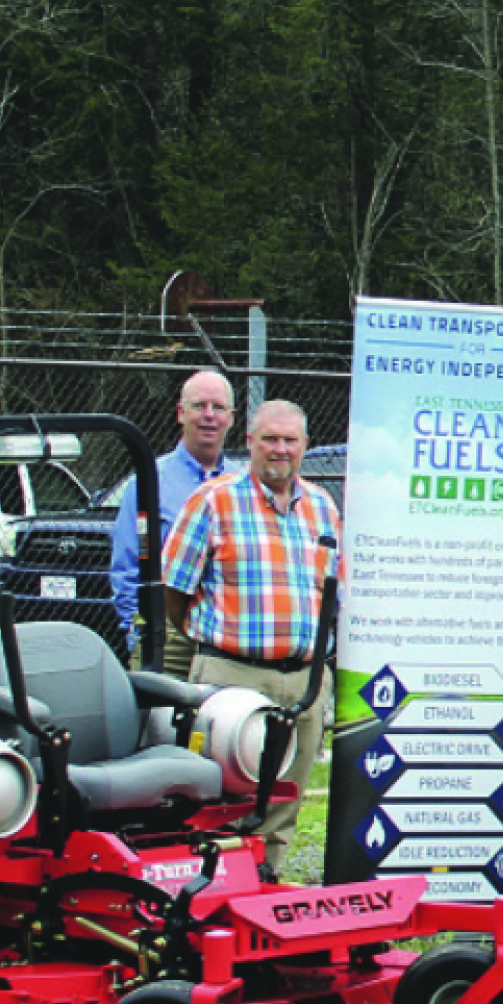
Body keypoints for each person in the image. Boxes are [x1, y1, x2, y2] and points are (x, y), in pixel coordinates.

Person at [159, 398, 341, 866]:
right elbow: (175, 590)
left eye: (290, 441)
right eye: (270, 440)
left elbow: (333, 591)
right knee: (223, 802)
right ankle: (211, 900)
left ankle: (268, 887)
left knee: (283, 802)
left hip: (304, 680)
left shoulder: (322, 508)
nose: (280, 450)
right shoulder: (212, 501)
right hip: (231, 675)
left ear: (305, 446)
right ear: (250, 443)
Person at [111, 370, 235, 672]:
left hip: (225, 638)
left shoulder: (243, 484)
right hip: (164, 636)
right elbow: (127, 565)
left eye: (218, 408)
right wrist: (138, 629)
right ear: (181, 413)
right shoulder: (149, 481)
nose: (209, 416)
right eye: (199, 406)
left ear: (231, 417)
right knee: (158, 720)